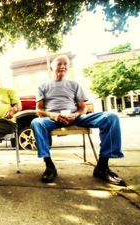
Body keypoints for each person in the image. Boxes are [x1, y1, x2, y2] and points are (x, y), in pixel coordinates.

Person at [30, 55, 126, 186]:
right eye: (59, 64)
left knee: (111, 118)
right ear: (51, 67)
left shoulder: (74, 85)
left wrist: (75, 115)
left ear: (68, 67)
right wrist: (53, 116)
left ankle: (102, 167)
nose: (62, 66)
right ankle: (49, 166)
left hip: (76, 118)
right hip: (53, 119)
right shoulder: (43, 86)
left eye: (65, 64)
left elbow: (82, 108)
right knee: (36, 122)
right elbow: (38, 111)